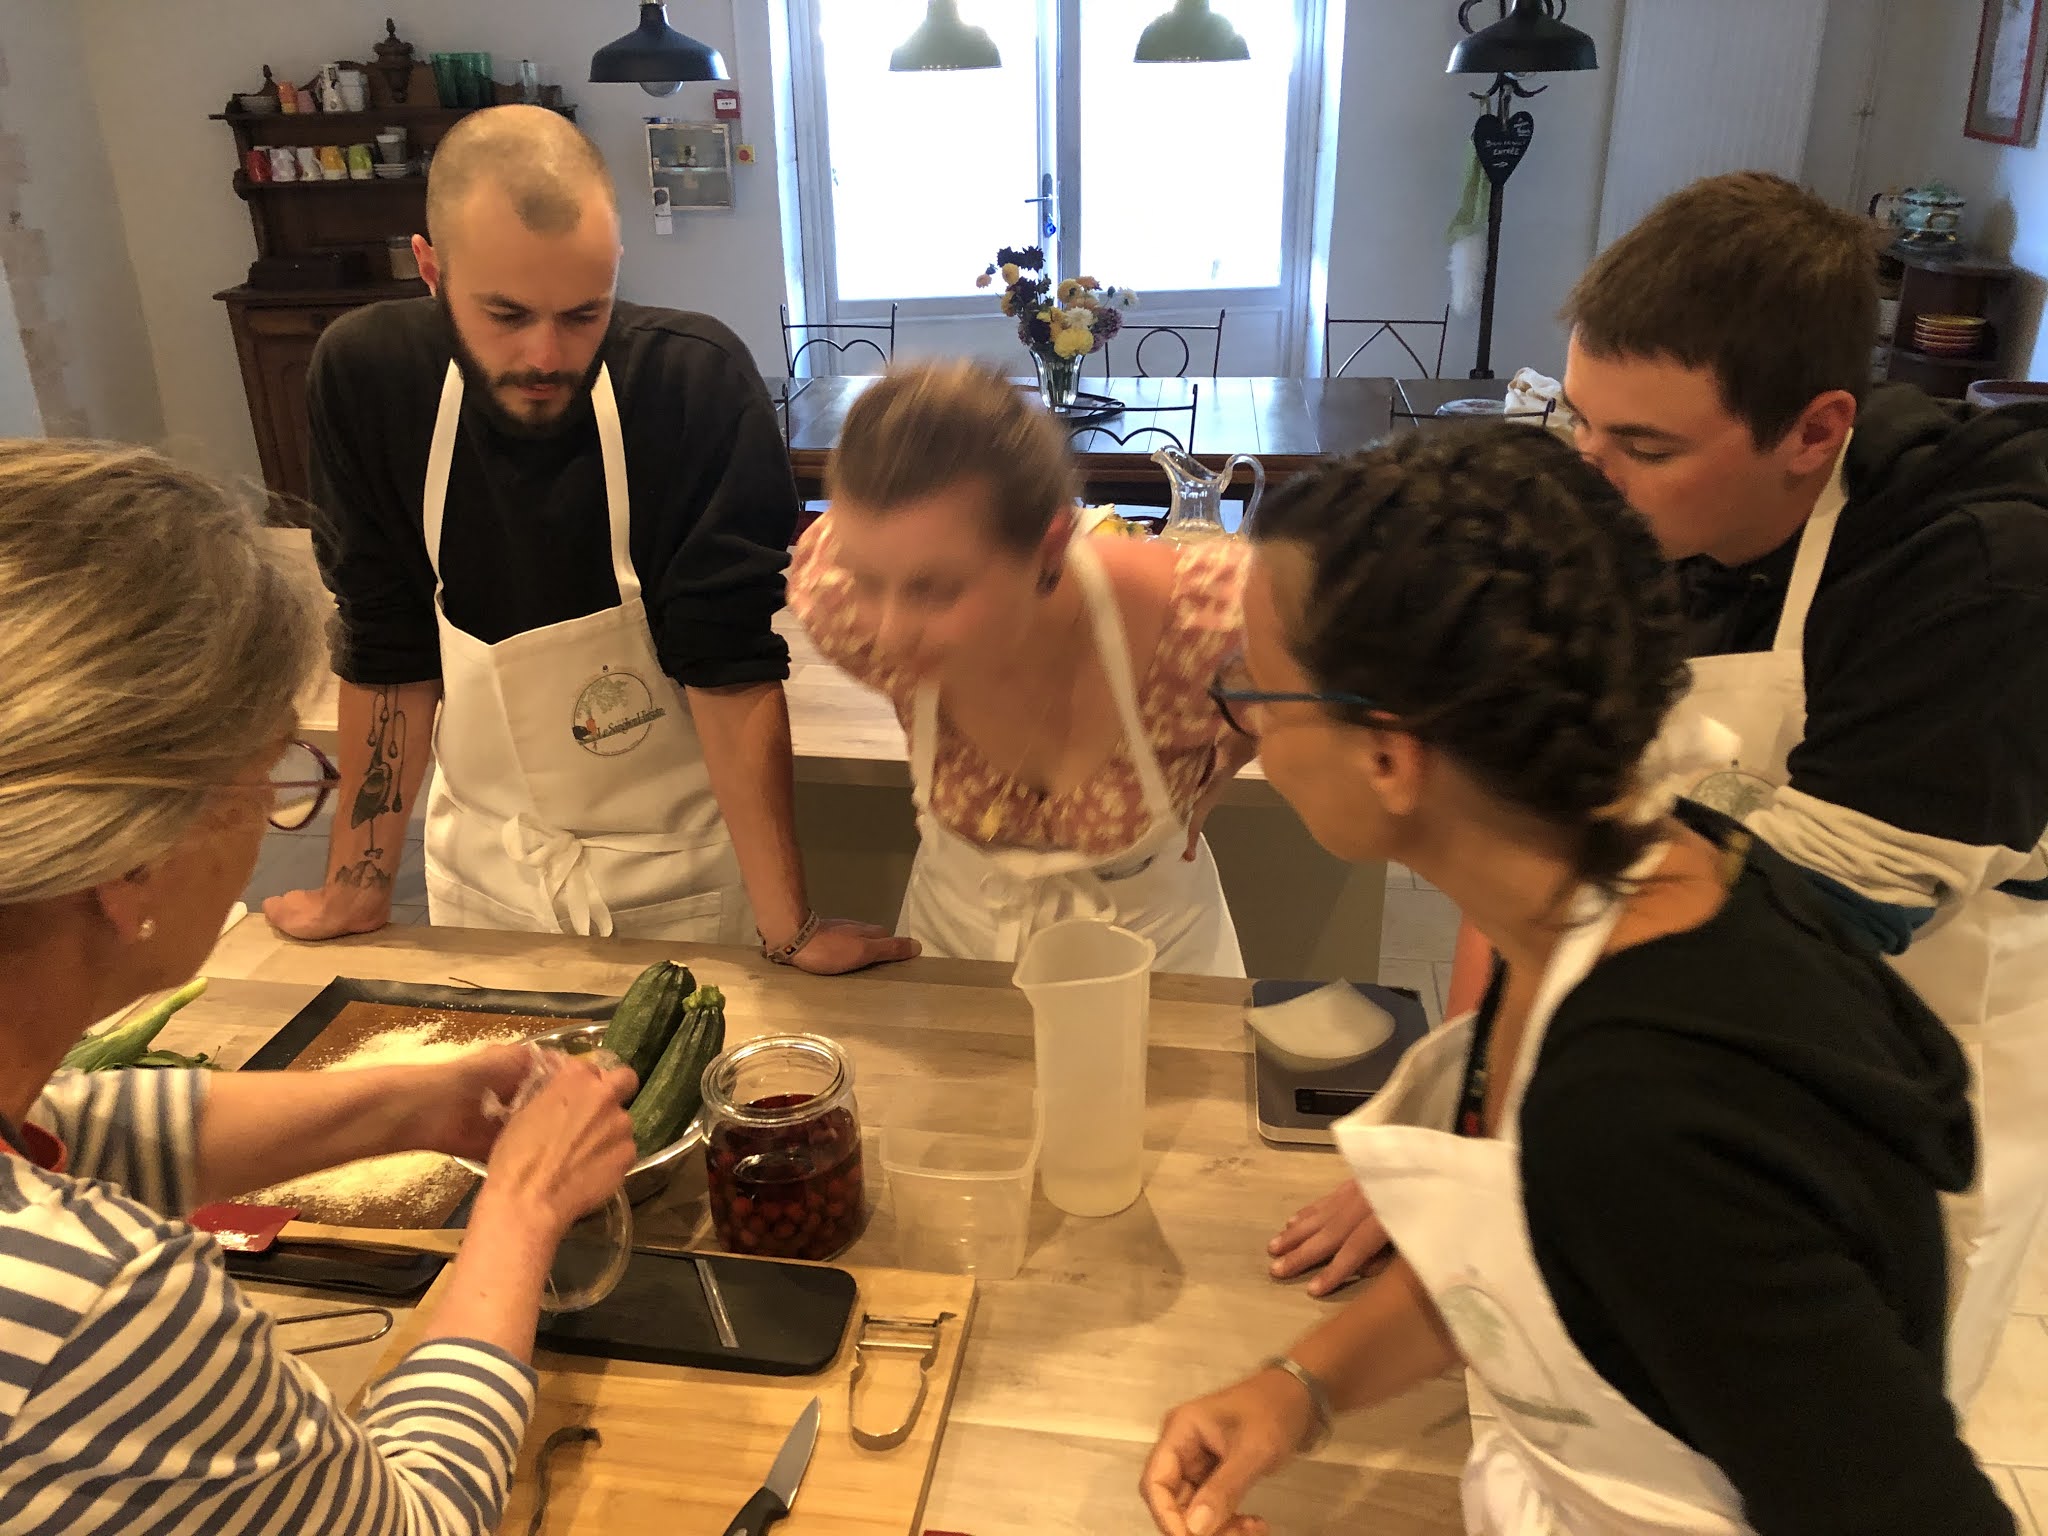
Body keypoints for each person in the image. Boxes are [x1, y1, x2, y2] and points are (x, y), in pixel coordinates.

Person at [1144, 426, 2014, 1536]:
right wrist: (1301, 1388)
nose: (1248, 727)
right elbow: (1532, 1254)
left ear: (1388, 756)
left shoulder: (1643, 1110)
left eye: (1260, 692)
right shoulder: (1629, 878)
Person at [1272, 172, 2048, 1405]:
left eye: (1641, 447)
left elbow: (1840, 904)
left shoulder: (1972, 568)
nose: (1591, 478)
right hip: (1676, 1030)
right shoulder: (1649, 525)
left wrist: (1518, 1141)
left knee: (1831, 1406)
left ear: (1813, 431)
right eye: (1577, 423)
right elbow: (1534, 850)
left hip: (1913, 1044)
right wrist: (1459, 1140)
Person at [0, 440, 638, 1533]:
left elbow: (62, 1128)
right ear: (132, 859)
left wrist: (412, 1103)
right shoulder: (95, 1307)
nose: (272, 820)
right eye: (271, 778)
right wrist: (521, 1214)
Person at [265, 105, 910, 975]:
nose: (546, 355)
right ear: (431, 270)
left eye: (583, 313)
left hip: (675, 879)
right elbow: (387, 641)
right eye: (506, 314)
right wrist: (357, 884)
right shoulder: (368, 378)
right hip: (480, 873)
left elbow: (729, 667)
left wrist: (790, 929)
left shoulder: (692, 385)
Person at [787, 360, 1251, 972]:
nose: (890, 636)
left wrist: (1241, 737)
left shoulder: (1204, 622)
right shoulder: (839, 602)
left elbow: (1319, 675)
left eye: (935, 589)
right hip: (953, 947)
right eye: (868, 580)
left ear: (1051, 545)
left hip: (1161, 963)